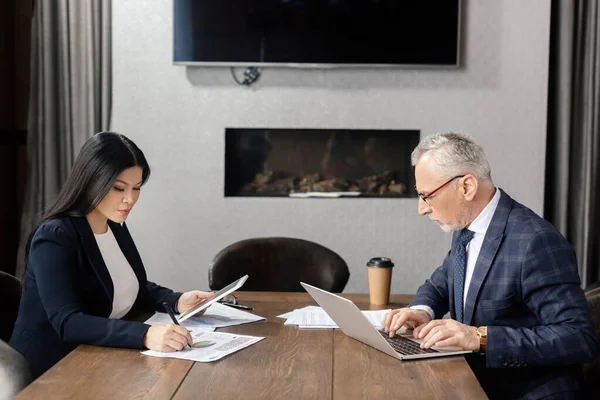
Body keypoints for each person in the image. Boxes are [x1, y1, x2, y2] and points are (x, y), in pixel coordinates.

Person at [381, 132, 598, 399]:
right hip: (472, 383)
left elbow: (578, 338)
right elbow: (442, 282)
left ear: (467, 187)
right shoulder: (467, 225)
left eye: (427, 196)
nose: (421, 209)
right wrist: (422, 310)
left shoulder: (536, 242)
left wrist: (480, 338)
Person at [9, 132, 214, 378]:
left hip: (98, 357)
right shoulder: (54, 237)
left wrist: (178, 301)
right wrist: (145, 334)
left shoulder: (114, 224)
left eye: (136, 188)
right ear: (91, 181)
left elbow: (126, 284)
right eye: (119, 188)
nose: (130, 199)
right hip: (51, 368)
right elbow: (68, 322)